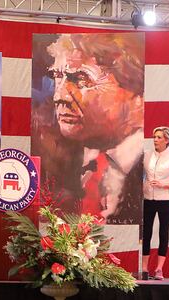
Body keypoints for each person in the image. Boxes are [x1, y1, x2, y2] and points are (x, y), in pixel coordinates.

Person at [33, 33, 144, 222]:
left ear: (136, 95)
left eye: (81, 80)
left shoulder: (144, 168)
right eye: (58, 77)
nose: (60, 96)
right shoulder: (70, 162)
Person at [141, 126, 169, 280]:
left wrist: (164, 184)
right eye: (154, 137)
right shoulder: (146, 156)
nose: (155, 140)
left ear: (167, 140)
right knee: (146, 233)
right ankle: (144, 268)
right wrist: (142, 185)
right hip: (148, 199)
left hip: (166, 200)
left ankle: (159, 269)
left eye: (159, 137)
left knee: (163, 233)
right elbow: (140, 175)